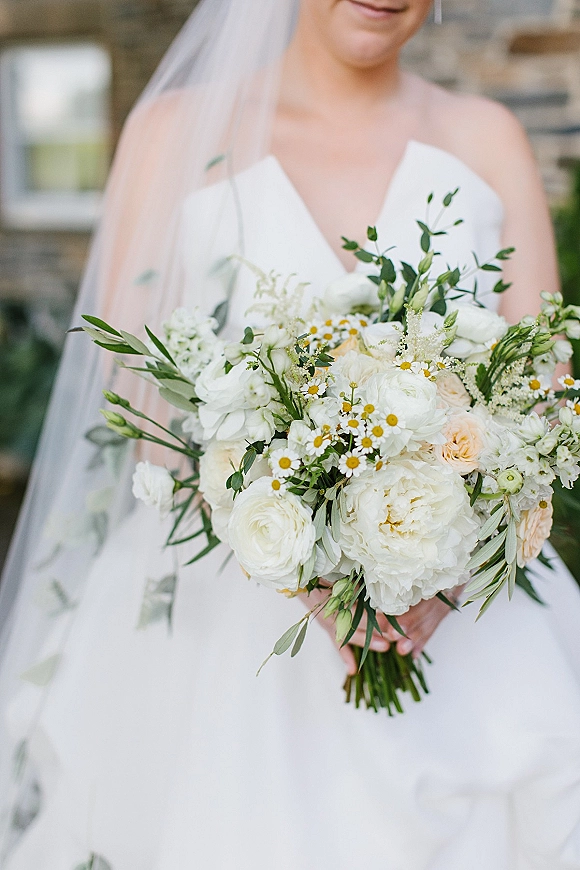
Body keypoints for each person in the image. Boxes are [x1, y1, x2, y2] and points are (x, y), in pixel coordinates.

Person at [0, 1, 579, 866]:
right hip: (218, 625)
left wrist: (443, 576)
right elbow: (138, 396)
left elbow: (548, 391)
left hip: (466, 614)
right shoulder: (172, 133)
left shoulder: (485, 135)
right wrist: (295, 566)